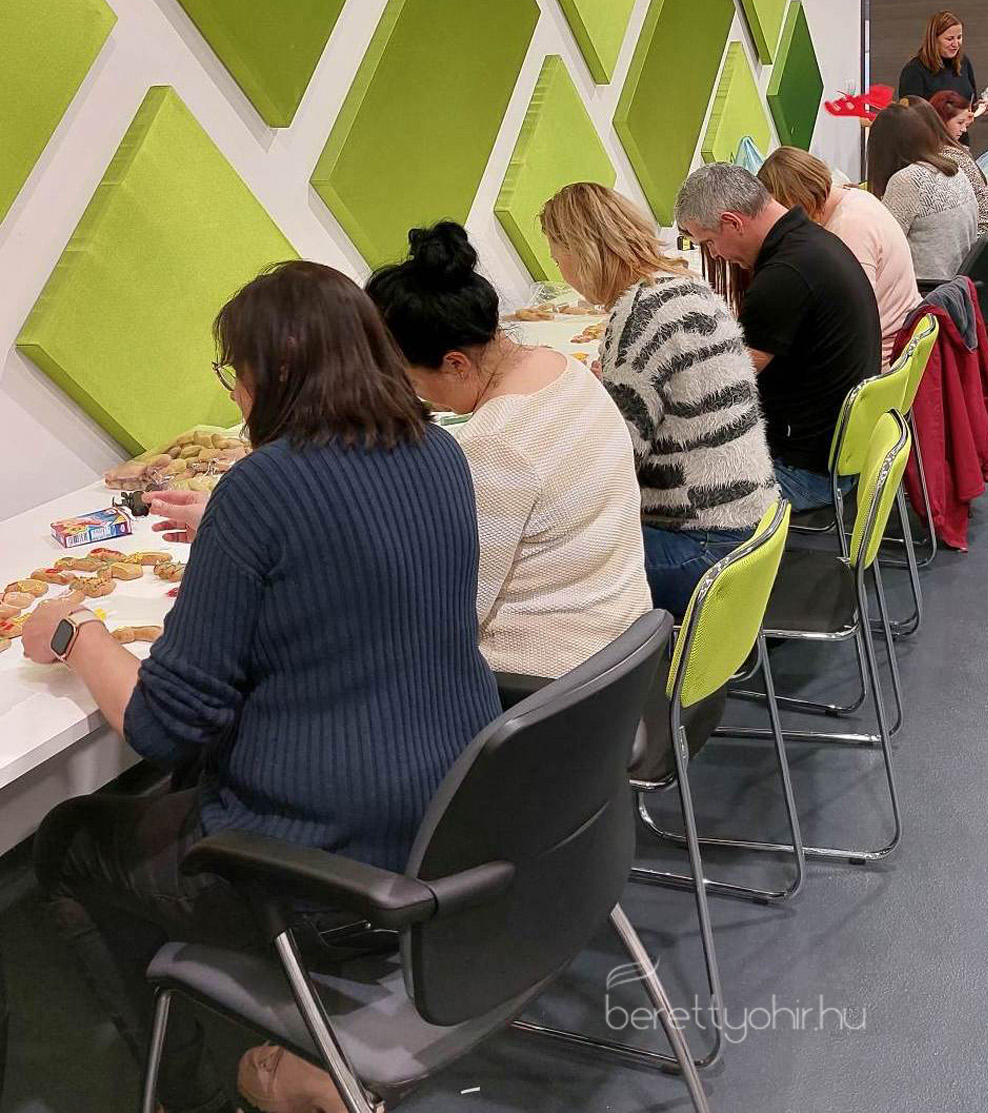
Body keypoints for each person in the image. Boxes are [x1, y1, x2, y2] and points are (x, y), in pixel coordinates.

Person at [24, 260, 502, 1113]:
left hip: (325, 869)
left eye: (235, 371)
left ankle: (189, 1090)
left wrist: (74, 632)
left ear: (274, 374)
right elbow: (348, 569)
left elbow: (161, 723)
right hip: (448, 823)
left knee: (68, 840)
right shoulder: (439, 453)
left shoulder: (263, 488)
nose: (236, 393)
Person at [366, 222, 652, 678]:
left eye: (412, 382)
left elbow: (454, 610)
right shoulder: (561, 367)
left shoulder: (495, 443)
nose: (417, 397)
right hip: (622, 643)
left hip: (552, 678)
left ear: (455, 364)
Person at [538, 182, 777, 615]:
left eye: (558, 259)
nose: (562, 273)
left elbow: (617, 459)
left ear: (581, 252)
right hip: (752, 524)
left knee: (545, 567)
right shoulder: (686, 287)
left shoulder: (638, 316)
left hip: (705, 544)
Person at [674, 163, 882, 512]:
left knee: (656, 492)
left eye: (709, 242)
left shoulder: (785, 274)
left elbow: (723, 383)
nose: (715, 255)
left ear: (733, 222)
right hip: (838, 451)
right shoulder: (813, 243)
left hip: (802, 471)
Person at [757, 146, 918, 365]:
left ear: (795, 199)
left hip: (881, 357)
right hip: (895, 341)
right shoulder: (857, 198)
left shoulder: (848, 229)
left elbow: (849, 319)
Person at [867, 101, 979, 279]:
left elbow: (882, 245)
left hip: (925, 288)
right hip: (954, 285)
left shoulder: (908, 180)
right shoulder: (952, 169)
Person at [928, 90, 988, 232]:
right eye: (960, 123)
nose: (964, 129)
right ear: (941, 121)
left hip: (971, 236)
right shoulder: (954, 154)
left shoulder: (954, 157)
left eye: (965, 123)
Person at [897, 11, 981, 104]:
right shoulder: (914, 71)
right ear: (934, 40)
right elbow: (910, 112)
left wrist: (980, 108)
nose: (956, 44)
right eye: (949, 39)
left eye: (959, 37)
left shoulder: (963, 62)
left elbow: (972, 103)